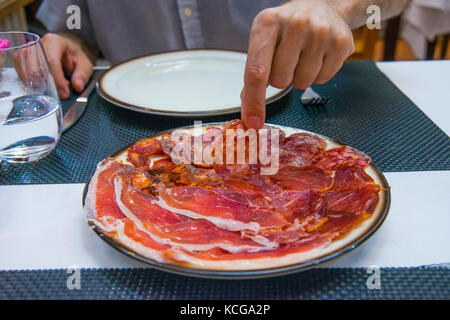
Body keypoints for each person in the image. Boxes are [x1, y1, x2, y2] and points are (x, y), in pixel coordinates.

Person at [36, 0, 410, 129]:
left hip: (296, 110)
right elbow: (73, 23)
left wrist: (336, 6)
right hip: (127, 121)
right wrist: (69, 40)